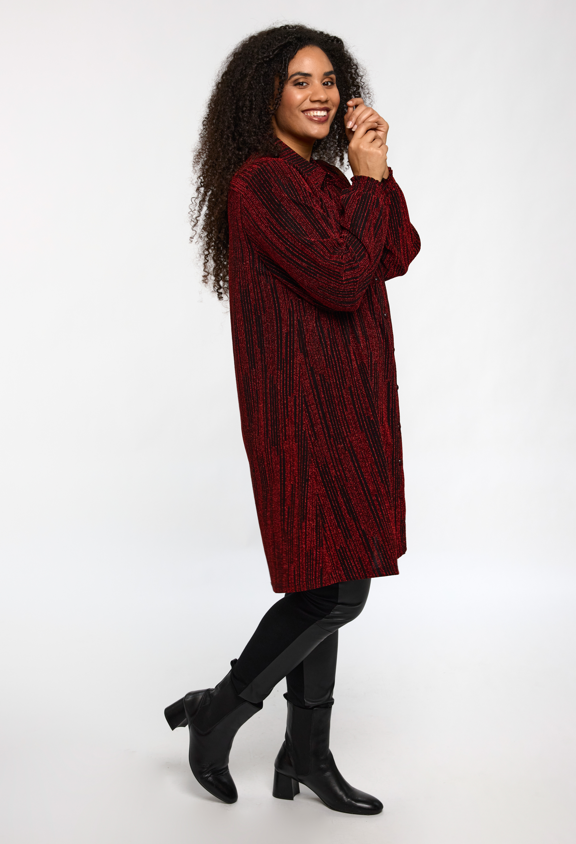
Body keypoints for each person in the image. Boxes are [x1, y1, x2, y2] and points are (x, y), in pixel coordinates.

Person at [164, 24, 421, 815]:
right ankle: (219, 711)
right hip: (304, 416)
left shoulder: (328, 181)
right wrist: (367, 182)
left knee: (327, 578)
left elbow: (396, 252)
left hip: (353, 406)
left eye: (330, 80)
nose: (321, 94)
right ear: (264, 95)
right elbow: (343, 277)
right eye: (300, 80)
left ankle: (305, 758)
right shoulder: (261, 183)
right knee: (334, 593)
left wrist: (376, 173)